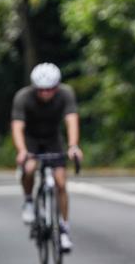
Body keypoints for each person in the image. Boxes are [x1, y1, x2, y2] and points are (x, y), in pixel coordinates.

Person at [11, 63, 82, 253]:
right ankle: (28, 200)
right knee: (29, 168)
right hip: (31, 139)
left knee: (60, 182)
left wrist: (73, 146)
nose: (45, 94)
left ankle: (64, 229)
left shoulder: (66, 94)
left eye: (50, 89)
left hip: (53, 139)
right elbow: (18, 126)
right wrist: (21, 150)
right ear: (34, 88)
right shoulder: (23, 97)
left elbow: (71, 120)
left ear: (57, 87)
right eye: (41, 90)